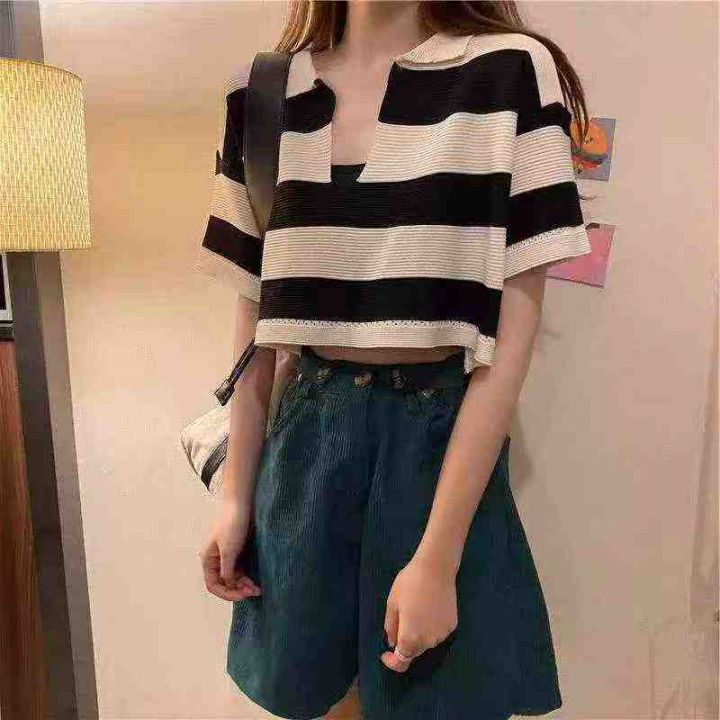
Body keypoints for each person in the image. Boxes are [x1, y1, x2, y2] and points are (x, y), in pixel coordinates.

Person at [197, 1, 591, 718]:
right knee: (315, 698)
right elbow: (255, 332)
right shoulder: (261, 95)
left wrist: (438, 555)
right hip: (305, 448)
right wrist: (235, 499)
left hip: (437, 447)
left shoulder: (508, 72)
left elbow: (507, 350)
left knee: (438, 697)